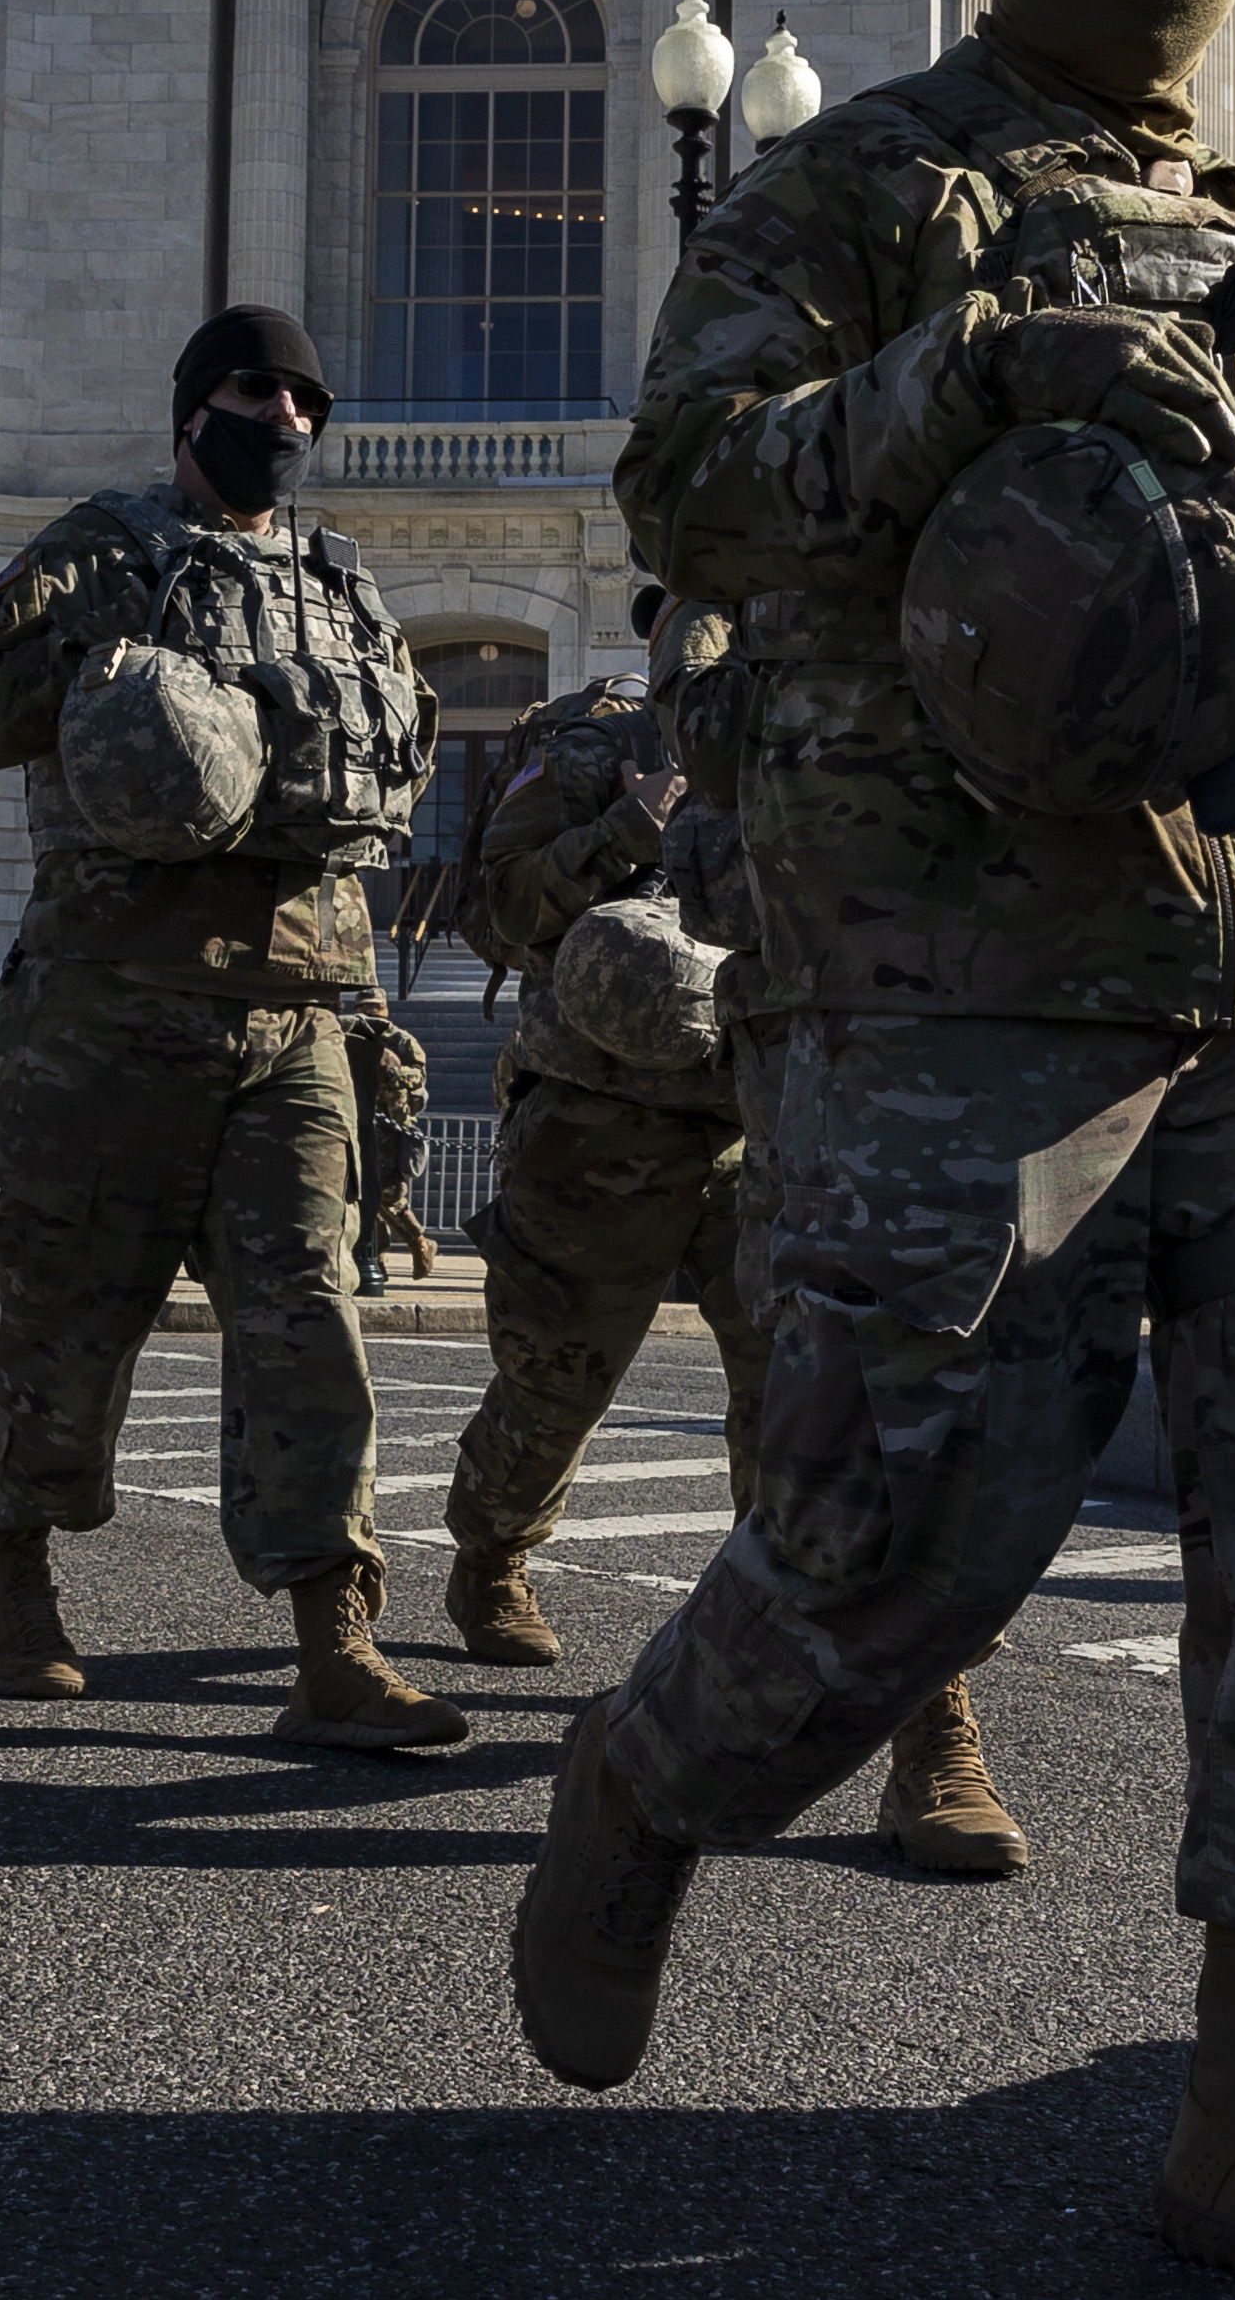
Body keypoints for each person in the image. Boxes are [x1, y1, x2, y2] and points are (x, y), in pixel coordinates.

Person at [508, 0, 1235, 2300]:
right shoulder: (866, 184)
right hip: (951, 989)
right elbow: (686, 490)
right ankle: (646, 1772)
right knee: (895, 1551)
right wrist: (961, 373)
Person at [437, 589, 1029, 1875]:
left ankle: (931, 1734)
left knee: (834, 1429)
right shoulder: (589, 739)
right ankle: (490, 1548)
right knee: (554, 1387)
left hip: (785, 1123)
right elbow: (492, 915)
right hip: (599, 1124)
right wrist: (620, 830)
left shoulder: (842, 731)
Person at [0, 306, 466, 1753]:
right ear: (193, 409)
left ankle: (331, 1643)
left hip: (300, 1005)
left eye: (307, 397)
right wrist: (139, 686)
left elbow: (406, 743)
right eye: (257, 392)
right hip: (113, 1001)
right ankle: (15, 1582)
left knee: (310, 1318)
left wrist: (283, 721)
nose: (285, 419)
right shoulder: (93, 550)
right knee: (71, 1308)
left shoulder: (342, 586)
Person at [342, 987, 437, 1292]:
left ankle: (418, 1240)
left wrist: (393, 1073)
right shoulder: (351, 1038)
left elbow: (418, 1075)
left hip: (393, 1126)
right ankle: (377, 1262)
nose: (368, 1015)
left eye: (373, 1010)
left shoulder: (401, 1040)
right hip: (360, 1120)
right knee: (365, 1196)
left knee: (388, 1193)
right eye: (363, 1010)